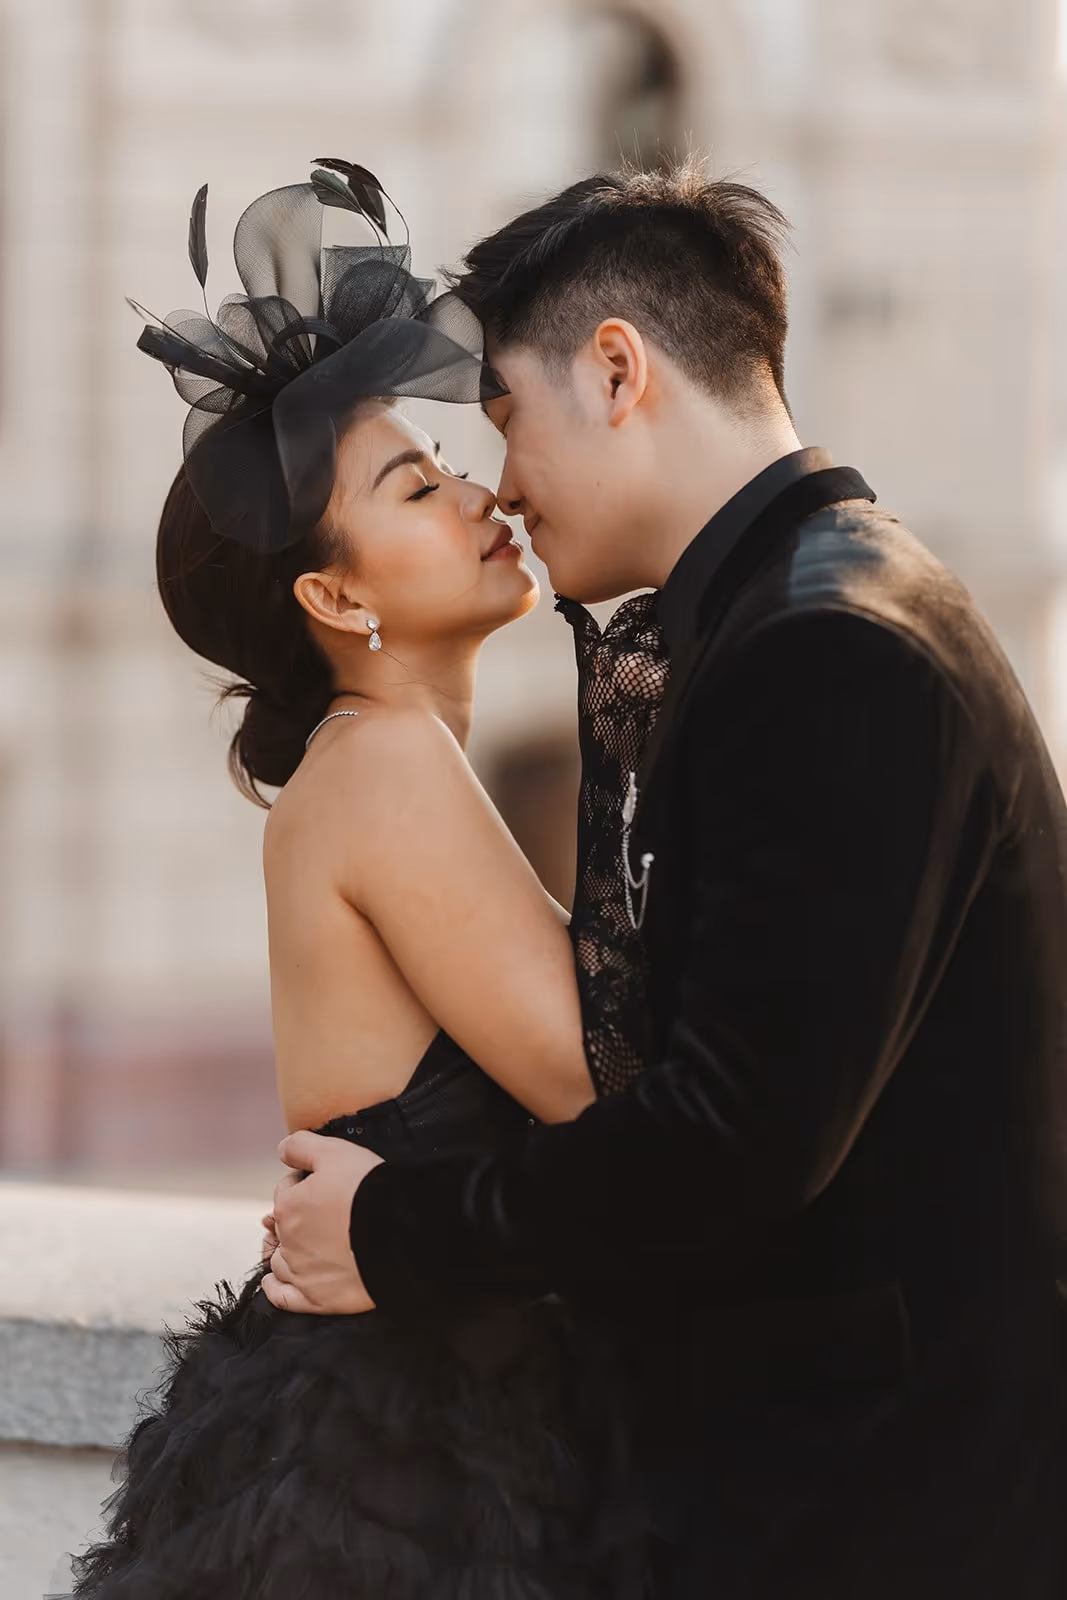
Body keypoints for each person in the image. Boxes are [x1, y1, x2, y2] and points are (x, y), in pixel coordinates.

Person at [266, 160, 1067, 1597]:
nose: (498, 481)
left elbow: (727, 1140)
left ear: (618, 371)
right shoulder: (808, 609)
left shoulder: (830, 647)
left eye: (502, 414)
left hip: (879, 1500)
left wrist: (394, 1229)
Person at [69, 163, 654, 1599]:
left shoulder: (374, 761)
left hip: (387, 1413)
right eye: (414, 484)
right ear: (336, 599)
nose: (473, 491)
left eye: (444, 462)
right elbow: (596, 1082)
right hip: (404, 1461)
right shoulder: (383, 762)